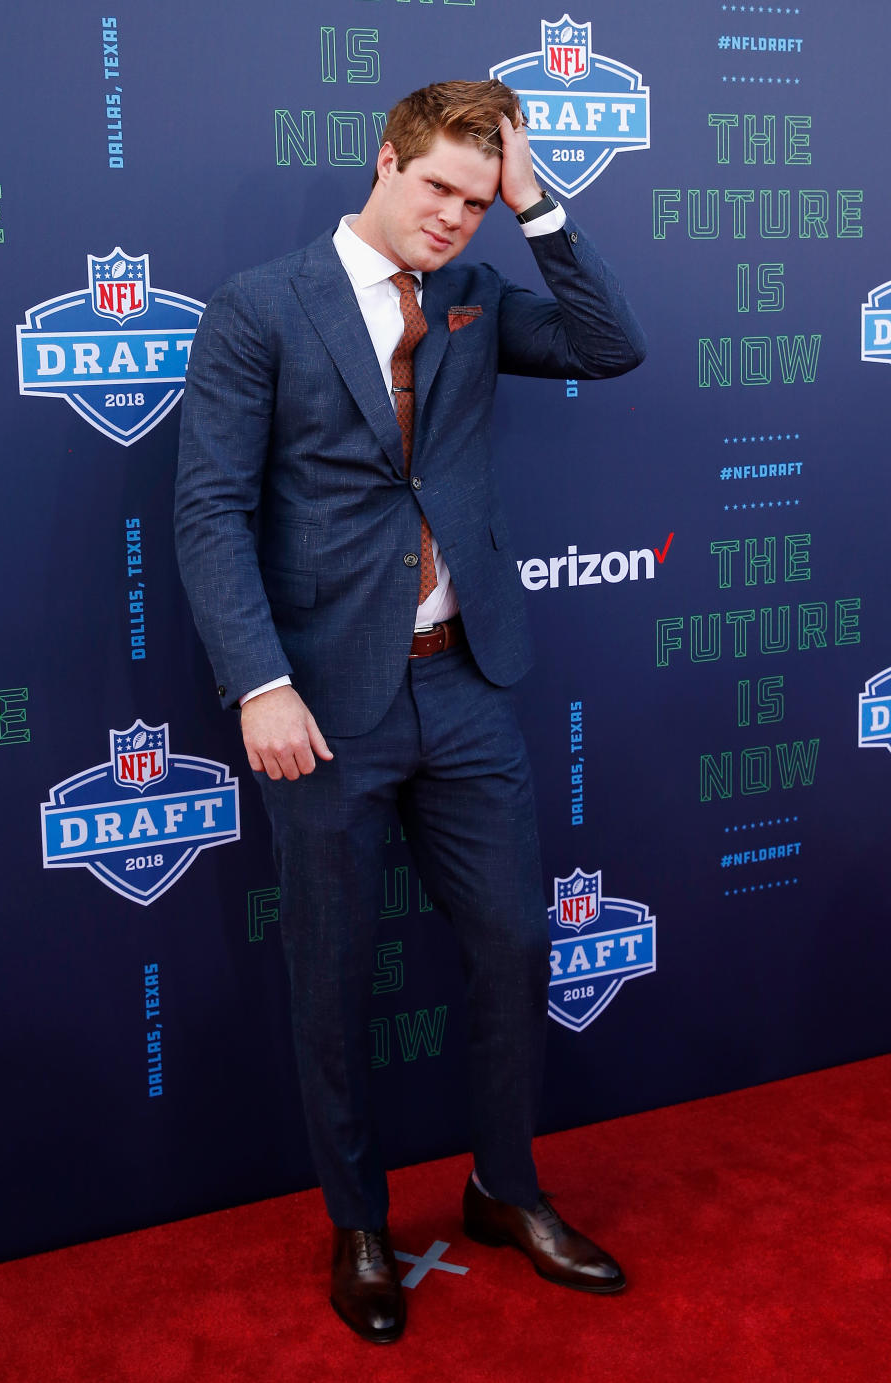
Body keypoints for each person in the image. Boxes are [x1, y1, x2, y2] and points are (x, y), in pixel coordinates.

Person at [175, 79, 646, 1343]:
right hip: (324, 704)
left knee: (512, 944)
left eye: (477, 201)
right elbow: (210, 510)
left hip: (469, 680)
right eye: (435, 186)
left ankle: (504, 1188)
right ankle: (359, 1221)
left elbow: (610, 343)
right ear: (384, 162)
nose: (453, 218)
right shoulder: (261, 307)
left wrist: (539, 206)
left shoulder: (480, 296)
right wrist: (261, 682)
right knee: (332, 977)